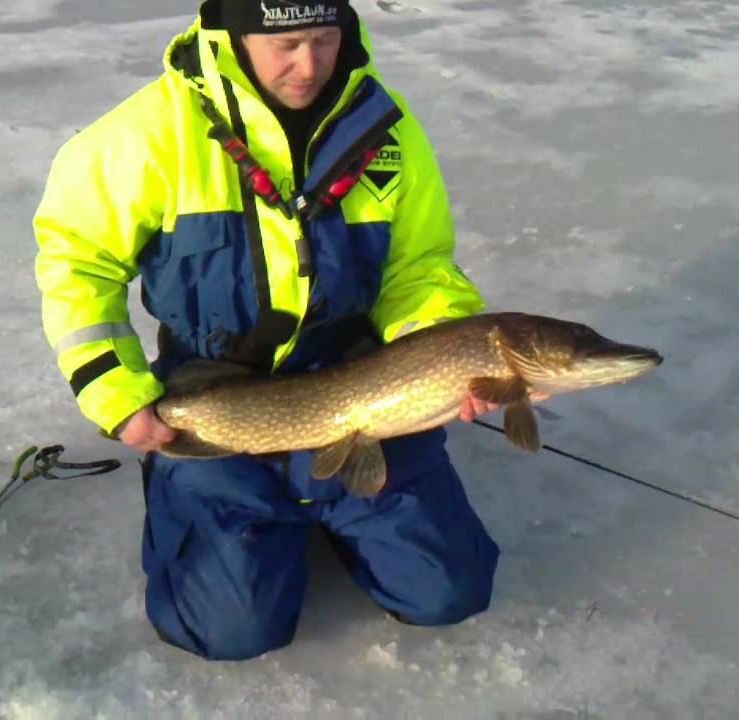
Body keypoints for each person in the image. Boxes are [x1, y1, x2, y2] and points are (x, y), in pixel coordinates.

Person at [33, 0, 502, 661]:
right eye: (286, 45)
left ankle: (330, 506)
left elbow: (417, 268)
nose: (308, 65)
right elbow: (78, 264)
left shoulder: (384, 128)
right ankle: (210, 499)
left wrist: (442, 354)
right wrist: (116, 392)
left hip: (358, 384)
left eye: (324, 39)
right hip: (215, 394)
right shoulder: (147, 134)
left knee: (447, 592)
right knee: (231, 630)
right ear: (236, 35)